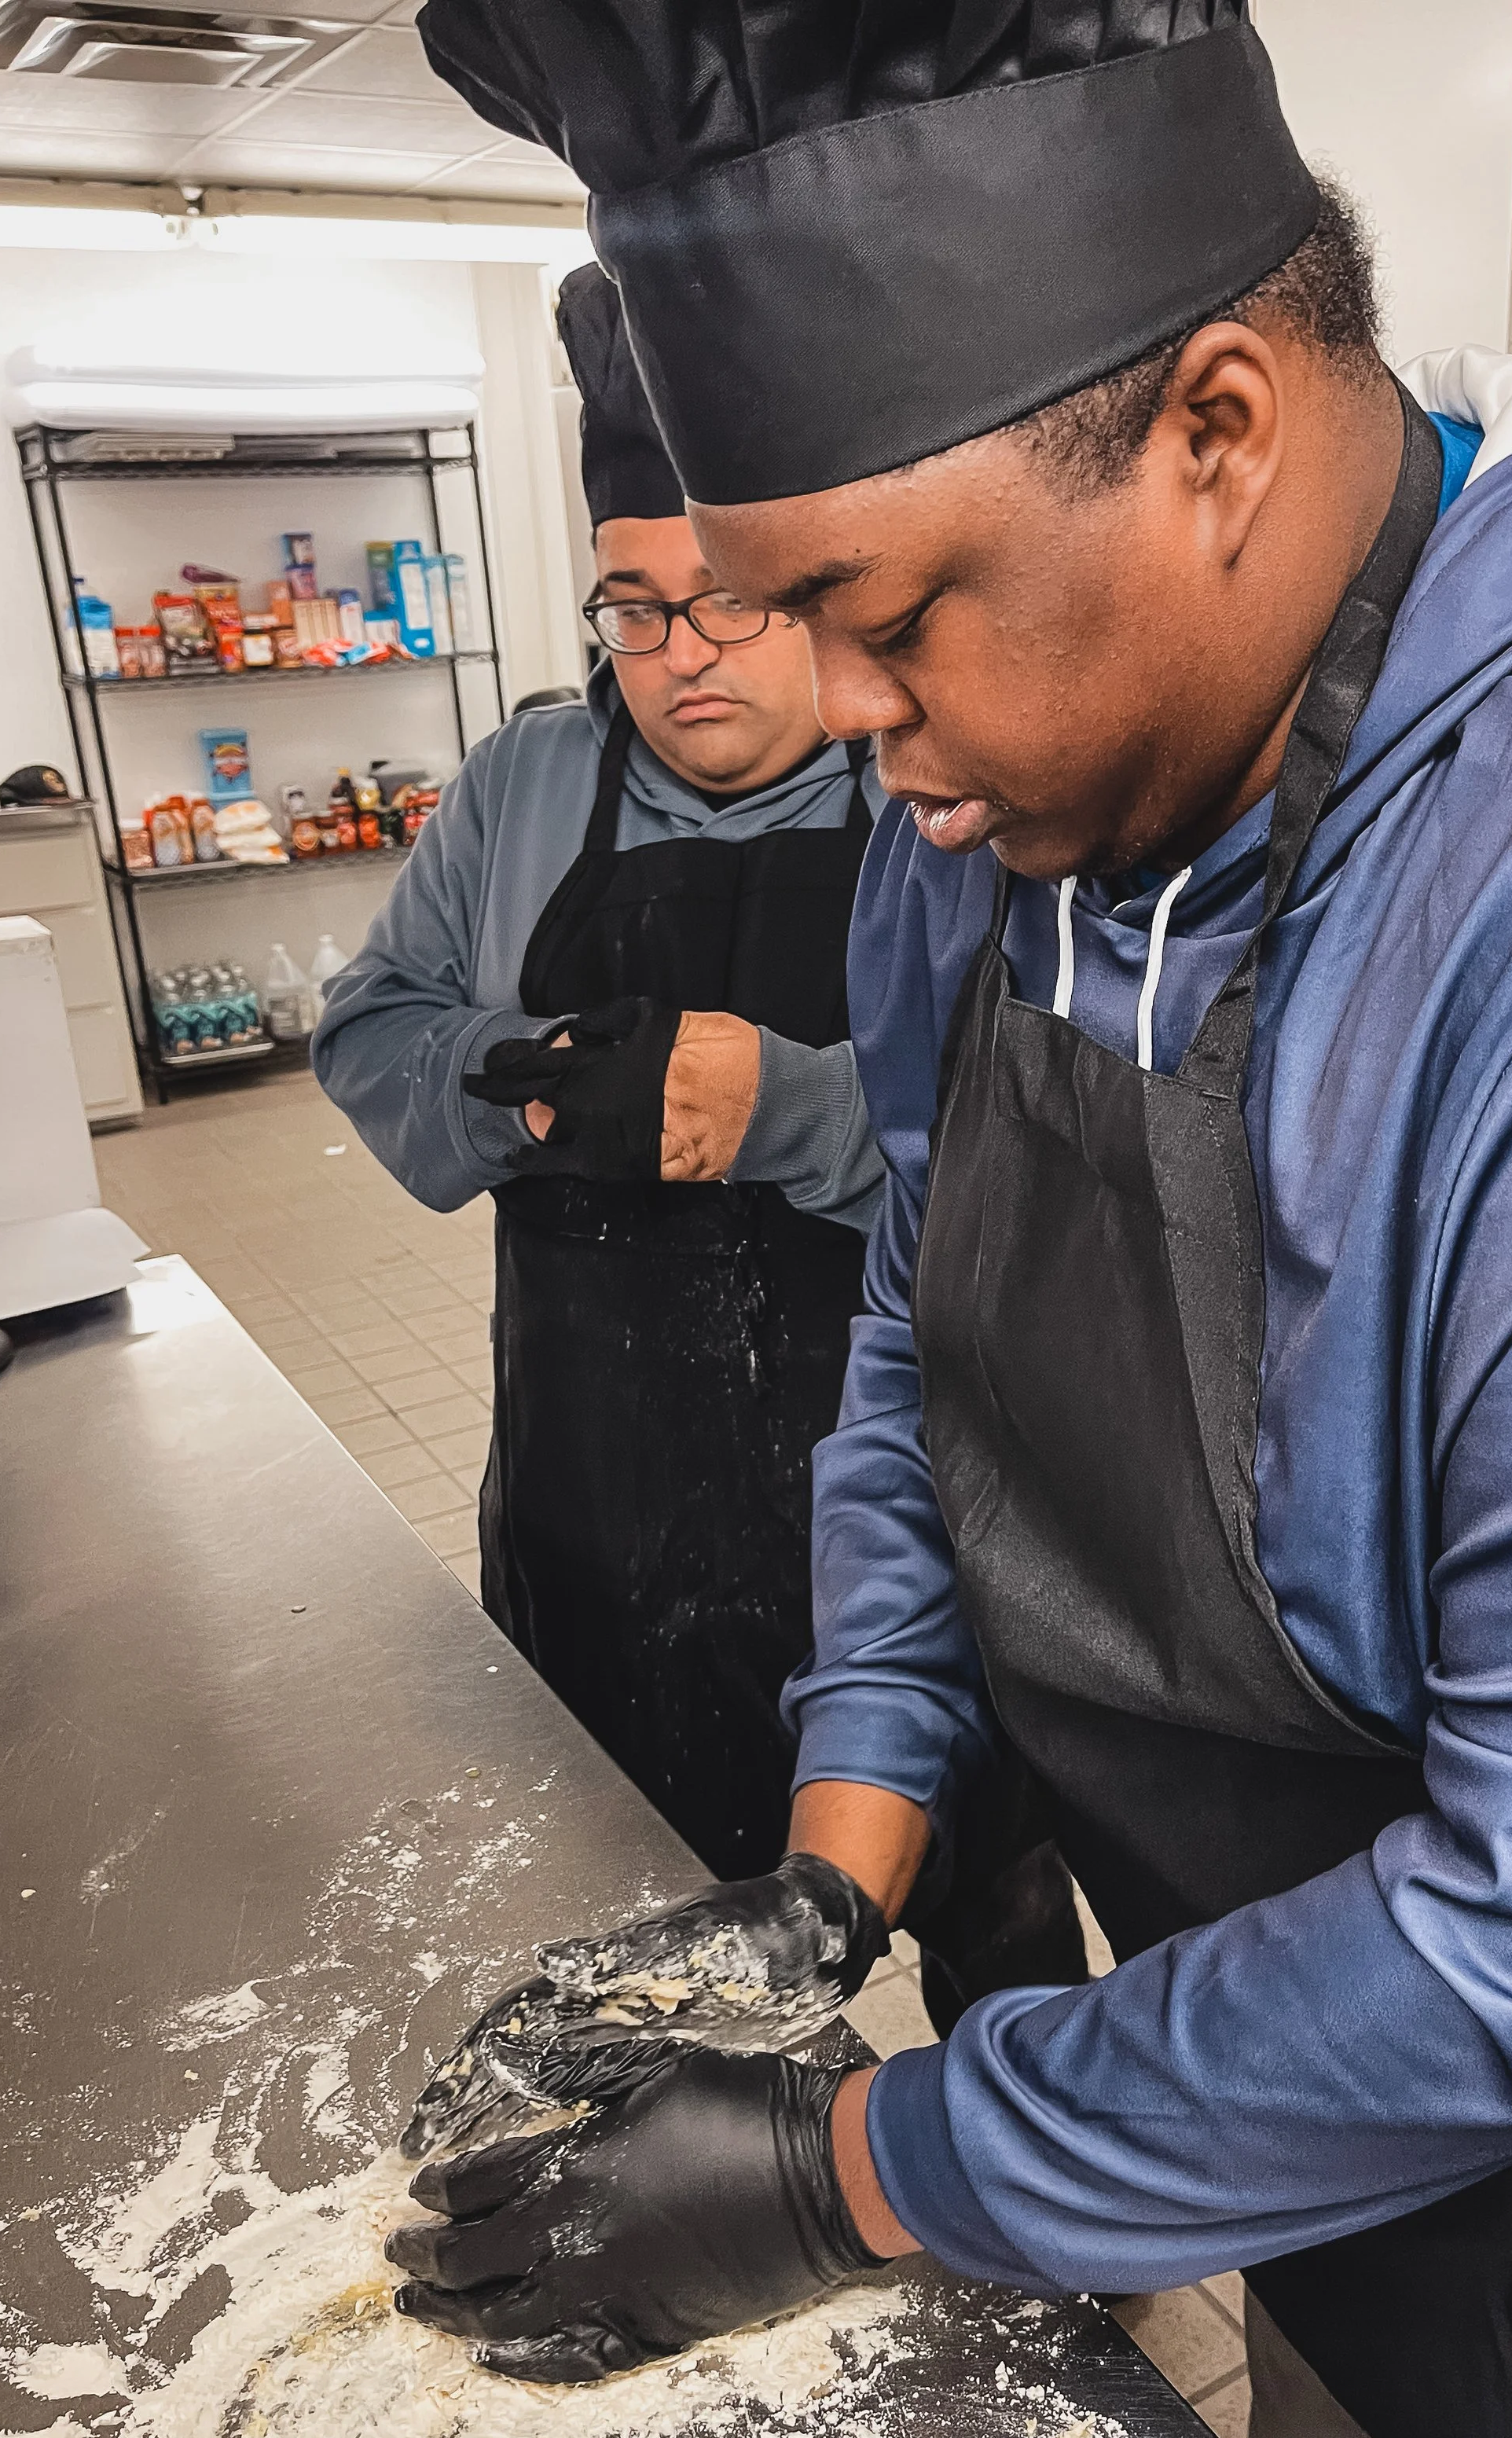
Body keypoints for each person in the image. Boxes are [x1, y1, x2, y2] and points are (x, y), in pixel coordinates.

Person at [387, 6, 1512, 2438]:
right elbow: (924, 1357)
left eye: (873, 616)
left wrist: (842, 2170)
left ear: (1214, 431)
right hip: (1269, 2079)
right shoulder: (993, 805)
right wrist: (839, 1864)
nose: (848, 728)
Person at [316, 267, 1085, 2025]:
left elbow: (1048, 1192)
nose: (680, 663)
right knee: (643, 1927)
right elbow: (365, 1033)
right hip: (601, 1502)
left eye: (727, 606)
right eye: (632, 613)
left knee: (989, 1908)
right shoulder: (518, 789)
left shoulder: (941, 798)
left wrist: (794, 1111)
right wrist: (517, 1077)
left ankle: (1063, 2250)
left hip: (908, 1510)